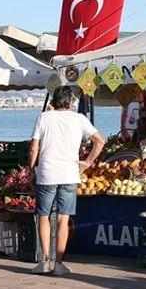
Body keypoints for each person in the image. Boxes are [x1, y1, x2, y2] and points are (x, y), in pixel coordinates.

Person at [28, 86, 104, 276]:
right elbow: (100, 141)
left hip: (46, 173)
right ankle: (59, 264)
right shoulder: (79, 119)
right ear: (70, 102)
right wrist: (87, 162)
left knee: (43, 216)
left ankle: (44, 261)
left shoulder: (44, 117)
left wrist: (31, 168)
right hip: (69, 174)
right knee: (63, 218)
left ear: (54, 101)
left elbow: (34, 148)